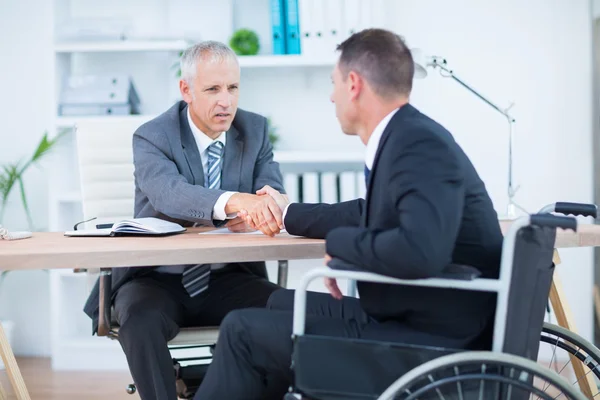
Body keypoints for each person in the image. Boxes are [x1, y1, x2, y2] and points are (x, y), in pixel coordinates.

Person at [193, 28, 504, 399]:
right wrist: (286, 211)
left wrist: (343, 246)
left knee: (242, 330)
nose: (331, 95)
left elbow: (422, 251)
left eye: (334, 83)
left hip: (430, 342)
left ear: (353, 84)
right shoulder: (405, 136)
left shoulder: (417, 144)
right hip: (419, 316)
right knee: (273, 301)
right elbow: (366, 214)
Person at [83, 40, 287, 400]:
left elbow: (272, 192)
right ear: (186, 89)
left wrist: (271, 204)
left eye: (233, 87)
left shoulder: (254, 131)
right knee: (140, 320)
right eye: (212, 89)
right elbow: (169, 194)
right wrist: (233, 202)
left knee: (292, 312)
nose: (226, 101)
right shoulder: (153, 136)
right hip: (156, 279)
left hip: (230, 277)